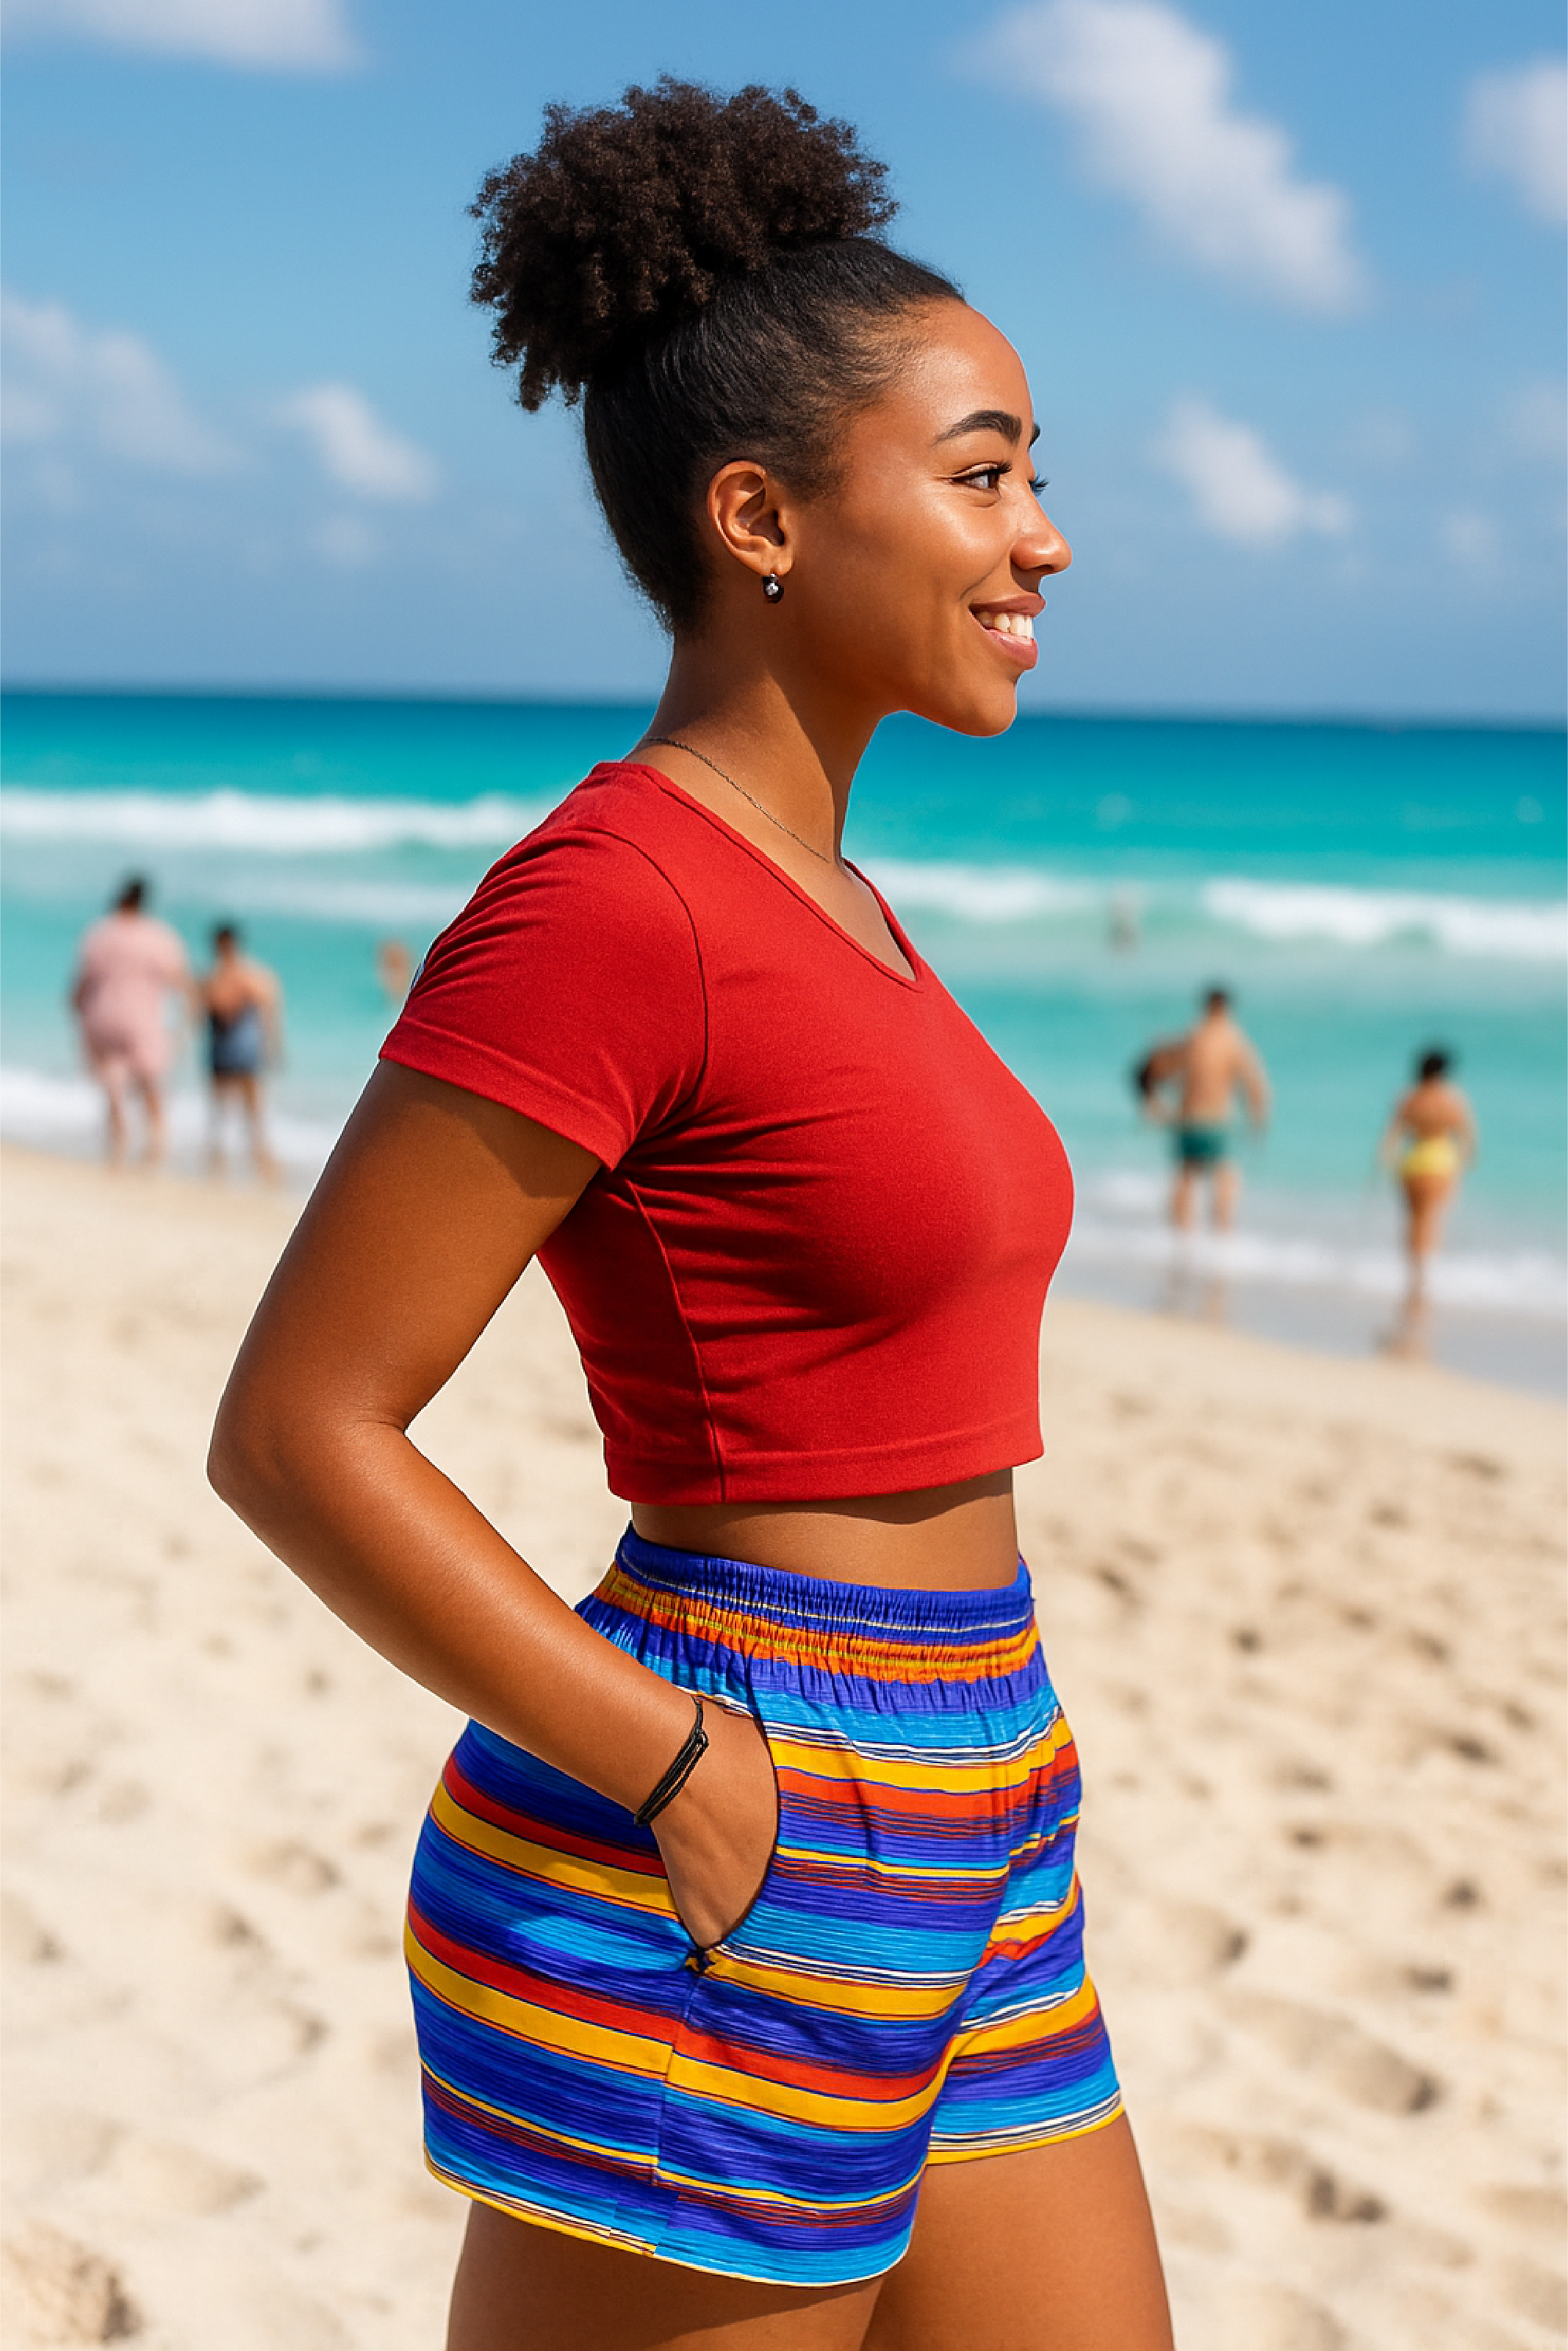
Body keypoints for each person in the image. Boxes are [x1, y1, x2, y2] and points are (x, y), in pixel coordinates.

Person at [209, 82, 1172, 2351]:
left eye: (1035, 469)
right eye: (982, 469)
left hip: (979, 1795)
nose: (1043, 536)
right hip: (729, 1813)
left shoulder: (833, 894)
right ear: (758, 513)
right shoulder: (609, 901)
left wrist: (972, 1753)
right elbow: (301, 1426)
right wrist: (669, 1756)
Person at [70, 875, 191, 1168]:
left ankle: (118, 1143)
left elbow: (82, 984)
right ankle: (156, 1144)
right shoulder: (158, 936)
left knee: (113, 1084)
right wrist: (186, 1025)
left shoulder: (100, 934)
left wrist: (78, 1012)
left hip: (102, 1017)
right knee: (150, 1083)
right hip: (142, 1020)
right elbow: (180, 982)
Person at [1139, 985, 1269, 1234]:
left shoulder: (1191, 1038)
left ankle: (1178, 1240)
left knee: (1185, 1179)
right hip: (1216, 1121)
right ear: (1227, 1009)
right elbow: (1255, 1085)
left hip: (1187, 1120)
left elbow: (1158, 1069)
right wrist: (1258, 1121)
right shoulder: (1234, 1041)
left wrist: (1153, 1103)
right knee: (1224, 1180)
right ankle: (1222, 1241)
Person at [1379, 1046, 1475, 1339]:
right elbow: (1468, 1139)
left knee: (1413, 1222)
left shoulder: (1409, 1098)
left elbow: (1392, 1137)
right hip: (1441, 1163)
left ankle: (1415, 1277)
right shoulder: (1453, 1100)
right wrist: (1462, 1165)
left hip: (1414, 1162)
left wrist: (1388, 1160)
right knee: (1432, 1221)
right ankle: (1425, 1279)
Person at [201, 923, 283, 1181]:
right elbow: (269, 1013)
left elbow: (216, 1010)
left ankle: (224, 1167)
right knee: (248, 1113)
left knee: (226, 1112)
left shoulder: (217, 978)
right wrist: (273, 1046)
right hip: (241, 1051)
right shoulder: (252, 975)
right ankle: (257, 1167)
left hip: (230, 1050)